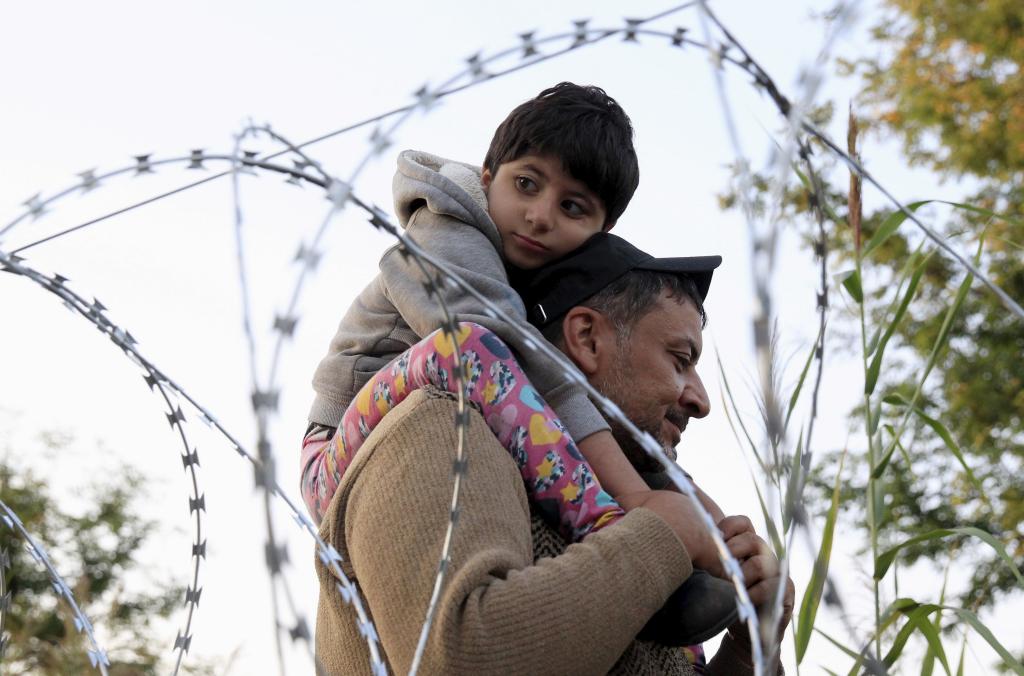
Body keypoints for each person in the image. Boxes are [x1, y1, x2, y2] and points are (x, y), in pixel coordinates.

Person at [313, 233, 795, 675]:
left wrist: (751, 646)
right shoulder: (442, 427)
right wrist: (659, 535)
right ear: (587, 338)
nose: (701, 399)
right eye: (680, 359)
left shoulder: (638, 519)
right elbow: (462, 659)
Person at [301, 83, 720, 564]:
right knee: (470, 345)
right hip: (337, 455)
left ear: (600, 234)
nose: (540, 216)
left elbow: (605, 415)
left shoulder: (541, 293)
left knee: (602, 413)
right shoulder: (445, 228)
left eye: (572, 207)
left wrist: (715, 522)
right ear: (487, 177)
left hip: (436, 434)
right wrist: (635, 501)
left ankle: (693, 578)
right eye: (526, 184)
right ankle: (608, 532)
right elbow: (500, 353)